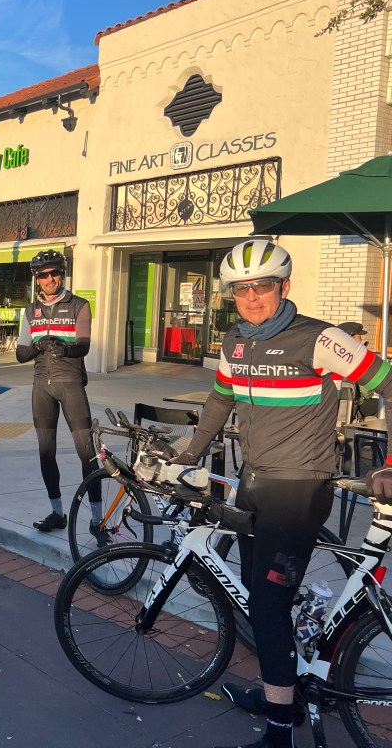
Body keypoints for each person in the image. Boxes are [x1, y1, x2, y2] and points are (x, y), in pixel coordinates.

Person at [167, 239, 392, 748]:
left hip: (298, 488)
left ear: (283, 286)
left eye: (262, 286)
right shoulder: (235, 341)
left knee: (267, 607)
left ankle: (280, 730)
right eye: (240, 289)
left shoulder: (320, 338)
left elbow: (390, 383)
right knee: (258, 593)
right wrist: (190, 451)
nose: (251, 297)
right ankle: (282, 692)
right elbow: (220, 398)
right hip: (254, 482)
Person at [15, 250, 98, 534]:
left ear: (62, 275)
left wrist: (65, 348)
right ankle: (57, 513)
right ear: (37, 279)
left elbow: (84, 344)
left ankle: (97, 520)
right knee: (46, 451)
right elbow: (20, 354)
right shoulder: (30, 312)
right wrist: (37, 347)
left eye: (55, 273)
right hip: (42, 386)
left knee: (87, 453)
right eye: (44, 275)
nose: (50, 279)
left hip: (70, 383)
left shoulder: (79, 305)